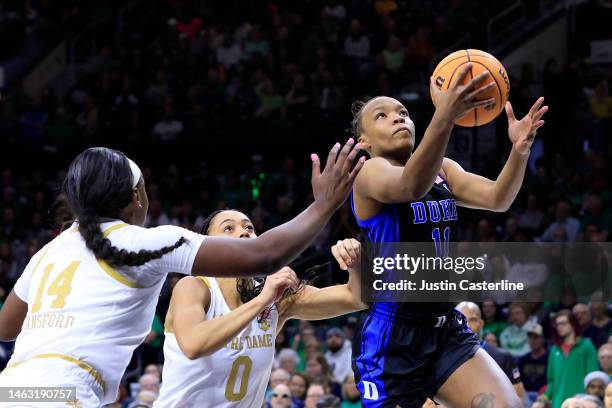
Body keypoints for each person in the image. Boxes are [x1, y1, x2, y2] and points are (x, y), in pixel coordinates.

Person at [0, 142, 364, 407]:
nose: (243, 233)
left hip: (13, 387)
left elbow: (5, 329)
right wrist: (325, 204)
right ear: (137, 197)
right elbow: (265, 255)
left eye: (248, 226)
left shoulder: (48, 252)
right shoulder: (150, 245)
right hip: (68, 390)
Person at [349, 61, 547, 407]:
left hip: (445, 328)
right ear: (363, 141)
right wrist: (445, 117)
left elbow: (498, 199)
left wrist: (518, 152)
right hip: (394, 336)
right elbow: (410, 185)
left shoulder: (444, 169)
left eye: (404, 112)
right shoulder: (370, 173)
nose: (398, 118)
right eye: (382, 116)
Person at [154, 209, 366, 407]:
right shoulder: (193, 286)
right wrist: (262, 300)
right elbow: (194, 345)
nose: (244, 232)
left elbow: (356, 299)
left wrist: (355, 264)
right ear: (207, 245)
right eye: (229, 228)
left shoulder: (275, 296)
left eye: (249, 228)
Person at [456, 302, 526, 402]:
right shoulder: (439, 359)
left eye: (473, 320)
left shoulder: (503, 357)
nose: (467, 325)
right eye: (460, 320)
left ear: (481, 324)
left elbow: (518, 397)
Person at [543, 310, 599, 408]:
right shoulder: (554, 350)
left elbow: (592, 377)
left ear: (573, 324)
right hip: (558, 403)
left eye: (563, 323)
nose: (559, 327)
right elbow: (551, 380)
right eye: (557, 324)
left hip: (581, 403)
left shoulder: (586, 346)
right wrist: (545, 397)